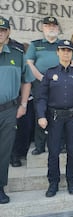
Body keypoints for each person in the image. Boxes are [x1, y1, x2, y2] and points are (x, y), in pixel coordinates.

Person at [36, 40, 73, 197]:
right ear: (57, 52)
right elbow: (41, 97)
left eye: (69, 50)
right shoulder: (50, 73)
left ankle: (72, 181)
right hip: (54, 118)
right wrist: (41, 115)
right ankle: (53, 183)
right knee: (53, 152)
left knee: (72, 151)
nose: (66, 53)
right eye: (63, 50)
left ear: (72, 53)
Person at [0, 17, 32, 204]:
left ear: (8, 33)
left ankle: (0, 187)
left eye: (3, 30)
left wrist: (23, 105)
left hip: (8, 111)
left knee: (4, 152)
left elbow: (26, 81)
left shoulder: (17, 54)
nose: (0, 33)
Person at [26, 16, 62, 155]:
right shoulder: (35, 45)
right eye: (48, 25)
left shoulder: (63, 45)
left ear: (58, 29)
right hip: (40, 84)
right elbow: (29, 63)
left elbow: (71, 63)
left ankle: (60, 143)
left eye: (53, 26)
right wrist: (41, 77)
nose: (51, 28)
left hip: (59, 85)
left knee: (61, 114)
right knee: (40, 114)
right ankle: (40, 146)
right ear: (43, 28)